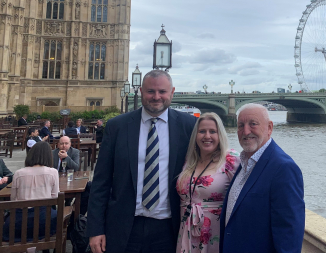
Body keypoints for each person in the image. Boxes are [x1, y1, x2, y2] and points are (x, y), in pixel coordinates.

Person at [87, 70, 197, 253]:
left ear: (172, 92)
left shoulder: (189, 126)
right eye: (150, 91)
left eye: (162, 91)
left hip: (170, 228)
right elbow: (101, 181)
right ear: (140, 91)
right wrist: (95, 229)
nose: (156, 97)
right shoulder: (117, 126)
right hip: (124, 226)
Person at [219, 104, 305, 253]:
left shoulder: (283, 168)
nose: (246, 131)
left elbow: (290, 232)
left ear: (269, 128)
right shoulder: (245, 161)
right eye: (241, 125)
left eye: (253, 124)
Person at [176, 112, 239, 253]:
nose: (207, 136)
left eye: (213, 131)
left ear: (220, 135)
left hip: (215, 232)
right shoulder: (189, 161)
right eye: (202, 131)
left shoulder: (230, 160)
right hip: (186, 229)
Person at [3, 141, 59, 242]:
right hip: (43, 223)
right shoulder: (53, 172)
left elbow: (13, 199)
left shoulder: (18, 173)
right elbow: (54, 199)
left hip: (19, 223)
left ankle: (28, 248)